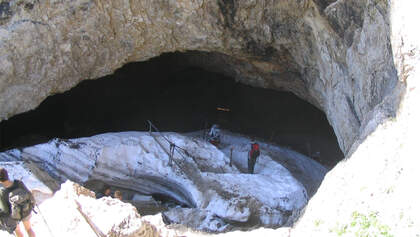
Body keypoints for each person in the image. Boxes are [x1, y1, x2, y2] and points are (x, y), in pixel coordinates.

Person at [0, 168, 36, 237]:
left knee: (18, 230)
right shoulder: (18, 183)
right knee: (28, 229)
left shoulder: (2, 191)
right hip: (25, 209)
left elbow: (5, 210)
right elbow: (29, 194)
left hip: (14, 215)